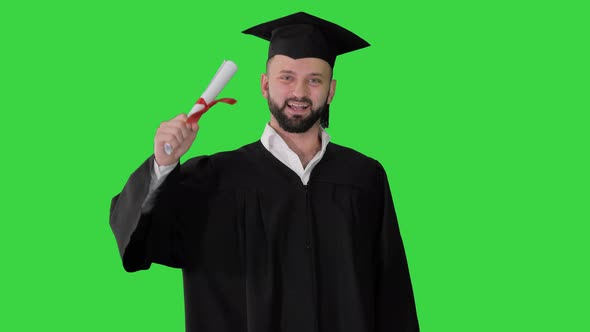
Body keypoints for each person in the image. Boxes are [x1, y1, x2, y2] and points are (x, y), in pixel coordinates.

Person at [110, 11, 419, 332]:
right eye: (287, 77)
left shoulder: (364, 178)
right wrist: (163, 164)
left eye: (314, 79)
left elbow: (393, 296)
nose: (299, 92)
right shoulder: (213, 179)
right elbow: (141, 245)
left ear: (331, 91)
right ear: (265, 84)